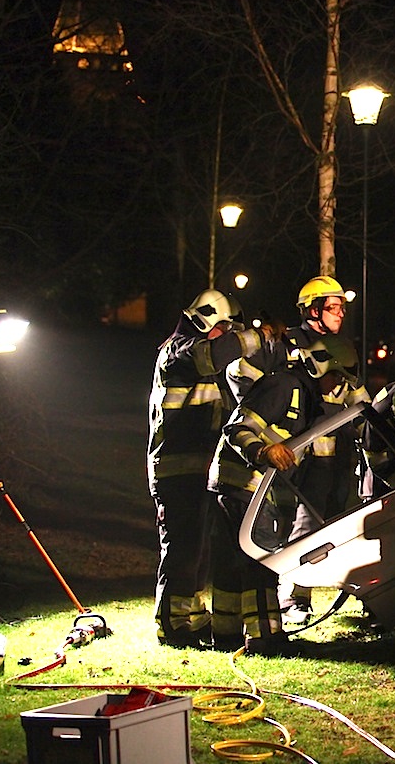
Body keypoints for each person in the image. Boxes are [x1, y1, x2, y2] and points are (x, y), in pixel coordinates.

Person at [207, 333, 360, 653]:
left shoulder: (308, 398)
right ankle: (265, 637)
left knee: (231, 563)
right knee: (260, 561)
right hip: (243, 483)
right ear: (319, 366)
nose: (337, 386)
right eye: (336, 377)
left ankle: (226, 634)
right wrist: (263, 451)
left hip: (251, 488)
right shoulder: (284, 387)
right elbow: (237, 429)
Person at [147, 289, 271, 648]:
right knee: (182, 548)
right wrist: (259, 336)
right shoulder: (179, 351)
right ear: (204, 320)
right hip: (176, 469)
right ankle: (172, 624)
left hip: (197, 468)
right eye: (224, 328)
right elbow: (214, 354)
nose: (227, 336)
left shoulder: (201, 358)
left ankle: (193, 617)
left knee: (198, 549)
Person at [279, 276, 371, 624]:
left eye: (343, 308)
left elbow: (357, 398)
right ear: (313, 310)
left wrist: (375, 427)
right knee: (304, 525)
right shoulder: (290, 344)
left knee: (329, 526)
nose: (341, 314)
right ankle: (292, 597)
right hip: (304, 456)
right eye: (334, 307)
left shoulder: (342, 347)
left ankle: (308, 590)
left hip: (338, 455)